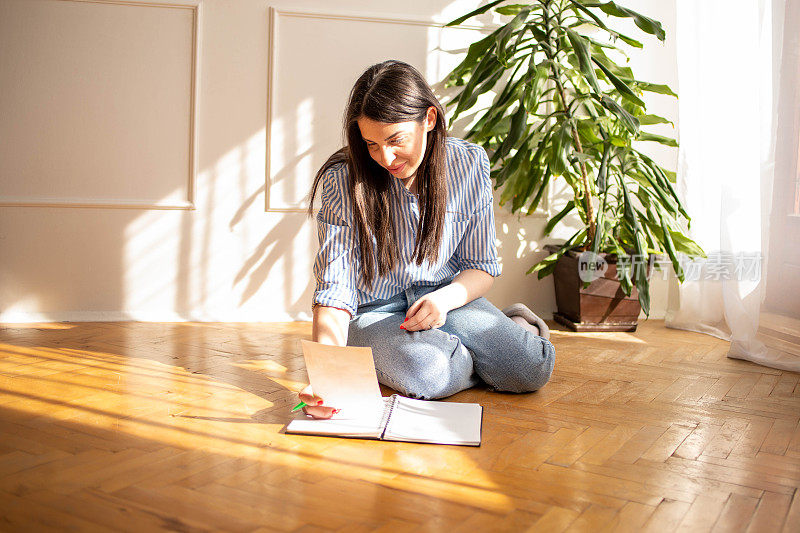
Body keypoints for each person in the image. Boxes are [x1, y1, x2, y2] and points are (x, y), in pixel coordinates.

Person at [299, 60, 555, 419]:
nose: (384, 158)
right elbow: (335, 288)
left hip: (447, 298)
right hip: (374, 313)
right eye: (371, 143)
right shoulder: (342, 180)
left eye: (395, 140)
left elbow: (480, 266)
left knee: (530, 368)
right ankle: (472, 350)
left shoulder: (468, 164)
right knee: (429, 373)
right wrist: (327, 373)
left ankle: (510, 329)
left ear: (429, 120)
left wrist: (445, 300)